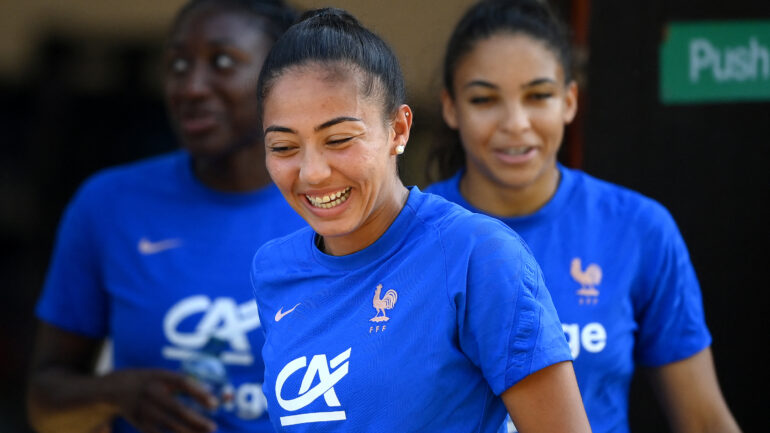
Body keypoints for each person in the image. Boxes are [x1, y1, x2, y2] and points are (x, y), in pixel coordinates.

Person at [249, 8, 591, 433]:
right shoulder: (274, 269)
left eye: (338, 140)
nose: (312, 171)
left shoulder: (477, 255)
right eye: (283, 147)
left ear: (398, 129)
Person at [425, 1, 742, 432]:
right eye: (484, 99)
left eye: (539, 96)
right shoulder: (408, 232)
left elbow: (704, 422)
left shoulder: (638, 228)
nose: (516, 123)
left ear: (570, 101)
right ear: (451, 107)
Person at [26, 1, 304, 432]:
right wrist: (114, 394)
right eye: (177, 64)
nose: (190, 87)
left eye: (223, 62)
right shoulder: (109, 204)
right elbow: (44, 403)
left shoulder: (335, 209)